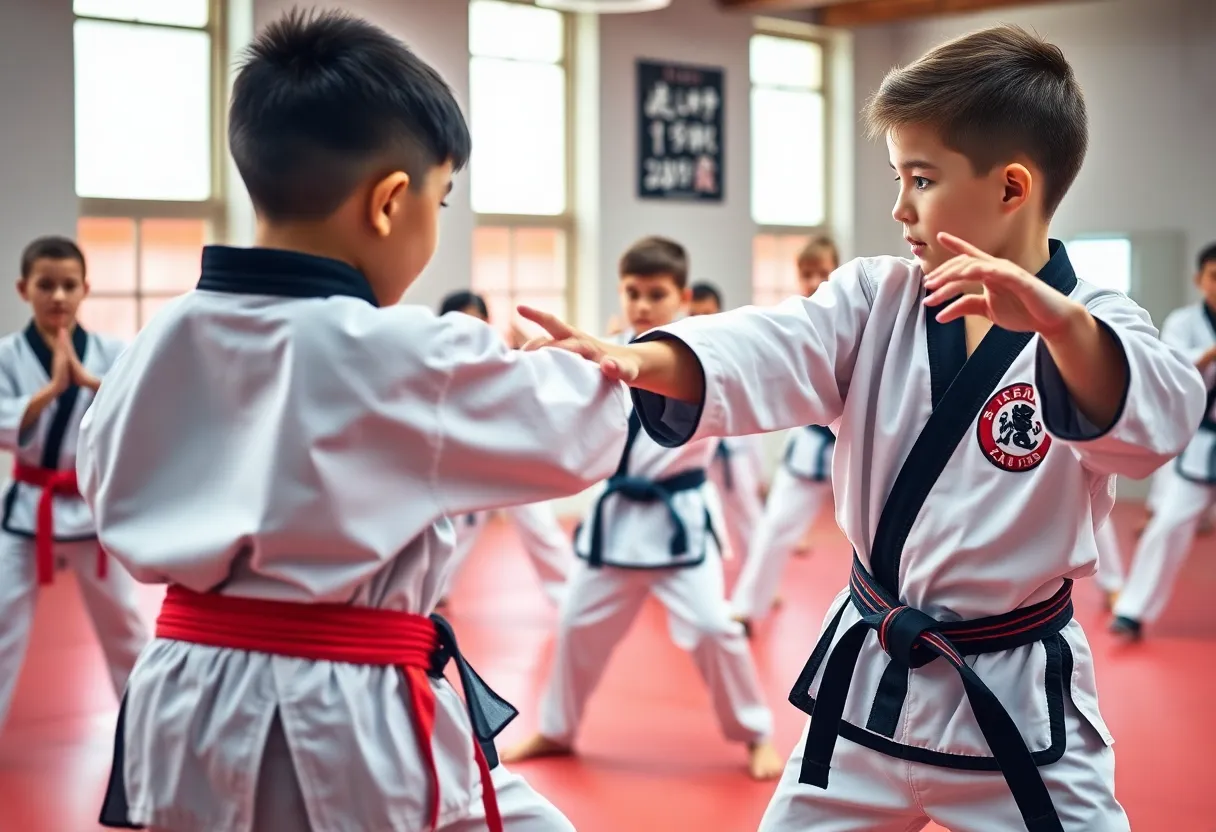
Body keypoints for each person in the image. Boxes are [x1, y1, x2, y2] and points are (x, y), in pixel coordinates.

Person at [516, 25, 1205, 831]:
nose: (899, 207)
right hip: (867, 688)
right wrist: (641, 358)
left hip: (1014, 707)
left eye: (921, 178)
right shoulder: (878, 299)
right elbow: (771, 345)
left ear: (1012, 188)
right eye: (897, 176)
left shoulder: (1098, 325)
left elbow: (1158, 419)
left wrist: (1061, 329)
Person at [76, 11, 629, 832]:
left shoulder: (158, 339)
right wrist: (601, 358)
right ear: (390, 202)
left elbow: (104, 482)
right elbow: (577, 437)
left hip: (180, 690)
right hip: (331, 713)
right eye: (440, 202)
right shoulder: (406, 352)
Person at [502, 236, 783, 780]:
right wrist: (528, 365)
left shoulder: (704, 358)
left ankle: (754, 733)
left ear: (681, 295)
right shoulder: (597, 350)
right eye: (633, 292)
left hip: (679, 519)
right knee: (576, 625)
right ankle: (556, 729)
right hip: (616, 518)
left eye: (656, 293)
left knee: (711, 630)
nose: (643, 304)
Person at [0, 235, 149, 733]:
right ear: (24, 289)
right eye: (46, 285)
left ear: (85, 289)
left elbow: (138, 414)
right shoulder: (6, 355)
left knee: (125, 627)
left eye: (68, 285)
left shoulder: (112, 352)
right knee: (2, 625)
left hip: (89, 509)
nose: (58, 297)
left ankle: (143, 733)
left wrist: (89, 382)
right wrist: (48, 393)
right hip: (28, 508)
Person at [730, 236, 841, 634]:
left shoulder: (865, 314)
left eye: (822, 271)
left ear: (837, 269)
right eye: (806, 273)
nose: (814, 280)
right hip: (811, 441)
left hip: (859, 441)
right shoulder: (792, 319)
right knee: (776, 525)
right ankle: (745, 609)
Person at [436, 289, 573, 608]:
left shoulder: (507, 355)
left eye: (476, 319)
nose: (469, 327)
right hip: (469, 463)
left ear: (486, 321)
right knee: (456, 531)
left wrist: (534, 351)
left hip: (517, 459)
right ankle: (437, 589)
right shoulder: (440, 362)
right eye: (460, 320)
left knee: (539, 526)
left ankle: (569, 595)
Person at [1110, 242, 1216, 640]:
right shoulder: (1183, 322)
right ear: (1199, 279)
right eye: (1214, 277)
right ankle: (1132, 611)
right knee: (1168, 524)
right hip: (1201, 442)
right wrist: (1211, 352)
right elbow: (1174, 369)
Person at [686, 281, 769, 570]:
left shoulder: (736, 349)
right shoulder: (679, 352)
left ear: (719, 312)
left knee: (748, 516)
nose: (701, 320)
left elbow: (752, 407)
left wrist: (759, 470)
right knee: (693, 512)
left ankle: (759, 585)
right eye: (694, 314)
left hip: (734, 449)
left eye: (707, 313)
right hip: (695, 448)